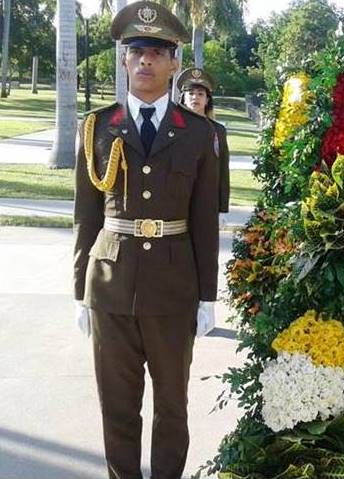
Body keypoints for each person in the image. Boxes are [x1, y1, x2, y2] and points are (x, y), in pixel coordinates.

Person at [72, 2, 220, 478]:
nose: (146, 61)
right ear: (123, 60)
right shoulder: (98, 127)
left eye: (157, 52)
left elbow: (204, 222)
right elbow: (85, 214)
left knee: (172, 411)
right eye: (136, 52)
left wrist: (207, 296)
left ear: (174, 62)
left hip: (174, 291)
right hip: (110, 286)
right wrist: (80, 290)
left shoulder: (197, 133)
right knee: (117, 410)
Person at [177, 67, 230, 212]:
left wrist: (222, 204)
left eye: (200, 94)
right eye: (191, 94)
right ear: (183, 98)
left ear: (207, 100)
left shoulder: (218, 131)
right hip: (176, 198)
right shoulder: (171, 128)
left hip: (205, 199)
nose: (195, 98)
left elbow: (222, 169)